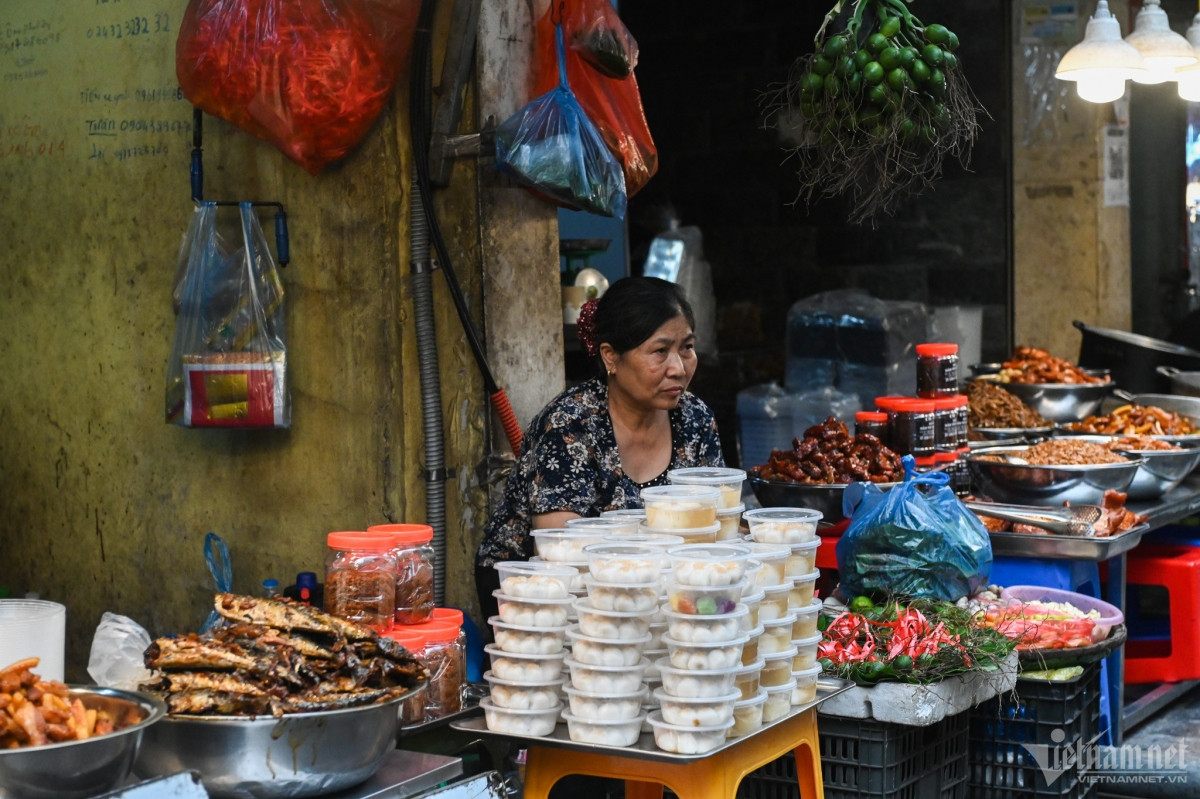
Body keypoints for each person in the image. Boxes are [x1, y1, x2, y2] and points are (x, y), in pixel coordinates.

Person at [475, 275, 724, 620]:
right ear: (611, 357)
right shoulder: (570, 425)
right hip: (537, 595)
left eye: (687, 348)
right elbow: (560, 554)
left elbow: (714, 525)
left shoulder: (694, 418)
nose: (679, 368)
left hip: (649, 591)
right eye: (660, 351)